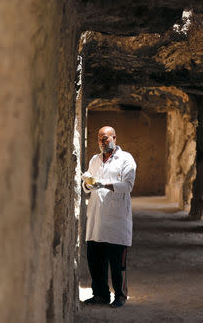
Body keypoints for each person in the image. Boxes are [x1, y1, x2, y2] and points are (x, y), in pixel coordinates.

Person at [81, 126, 137, 308]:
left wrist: (103, 184)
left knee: (116, 262)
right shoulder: (94, 160)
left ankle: (120, 296)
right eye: (99, 139)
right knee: (95, 260)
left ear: (114, 137)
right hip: (97, 218)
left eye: (105, 138)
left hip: (117, 220)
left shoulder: (126, 159)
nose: (102, 142)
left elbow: (127, 185)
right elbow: (87, 186)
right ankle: (100, 295)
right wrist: (89, 183)